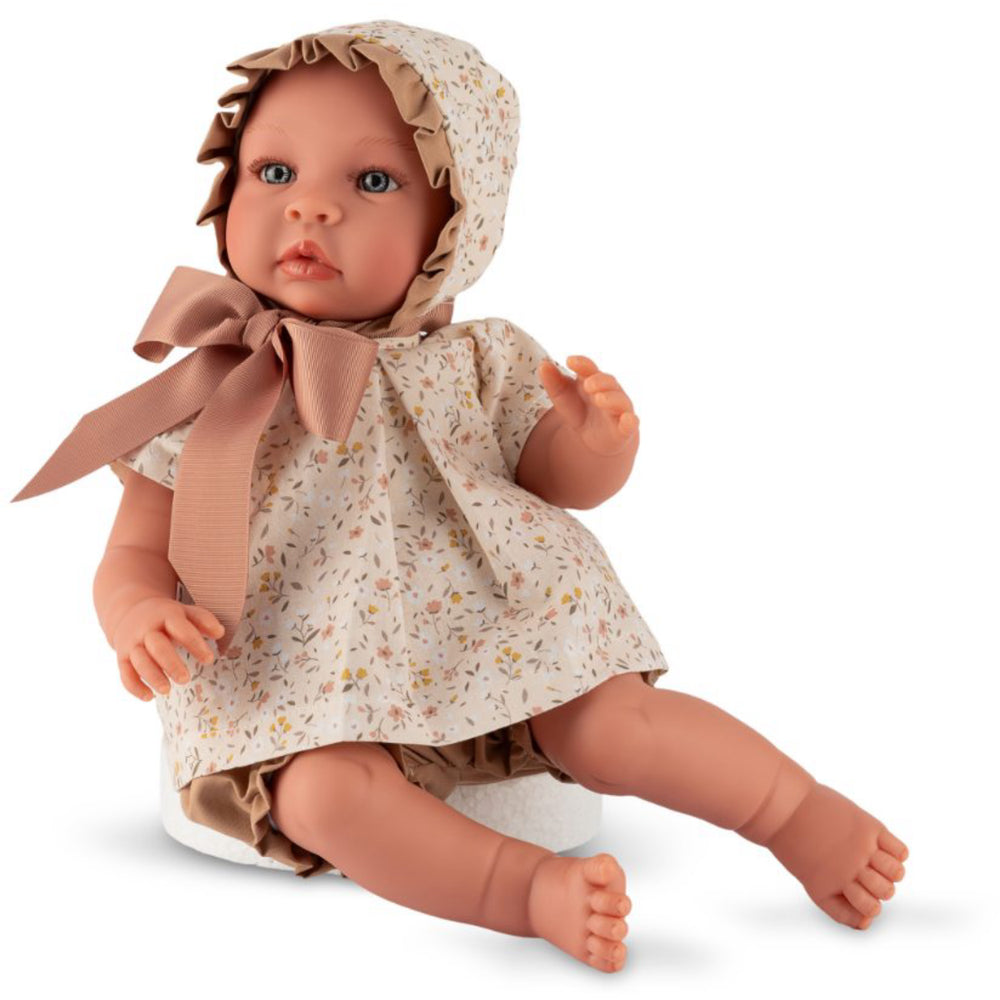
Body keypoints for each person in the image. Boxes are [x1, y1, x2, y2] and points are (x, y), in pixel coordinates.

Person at [13, 21, 907, 975]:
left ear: (457, 226)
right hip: (303, 677)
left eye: (371, 181)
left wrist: (596, 445)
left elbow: (556, 477)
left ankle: (795, 812)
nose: (309, 207)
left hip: (499, 628)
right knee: (325, 796)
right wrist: (137, 614)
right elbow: (134, 548)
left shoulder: (481, 359)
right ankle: (527, 891)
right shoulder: (215, 388)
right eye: (274, 173)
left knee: (614, 727)